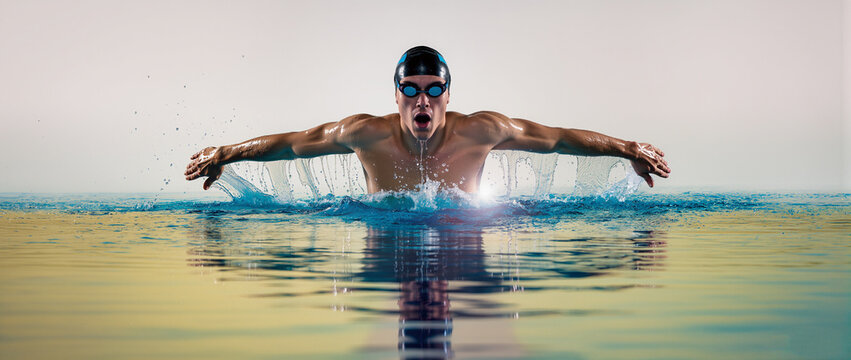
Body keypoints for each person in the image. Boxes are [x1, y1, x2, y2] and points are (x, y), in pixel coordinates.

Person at [185, 46, 670, 193]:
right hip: (383, 239)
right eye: (412, 91)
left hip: (465, 235)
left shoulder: (482, 130)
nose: (424, 101)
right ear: (396, 97)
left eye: (434, 91)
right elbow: (293, 143)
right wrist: (225, 153)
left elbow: (558, 138)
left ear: (448, 95)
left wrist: (628, 148)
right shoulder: (363, 134)